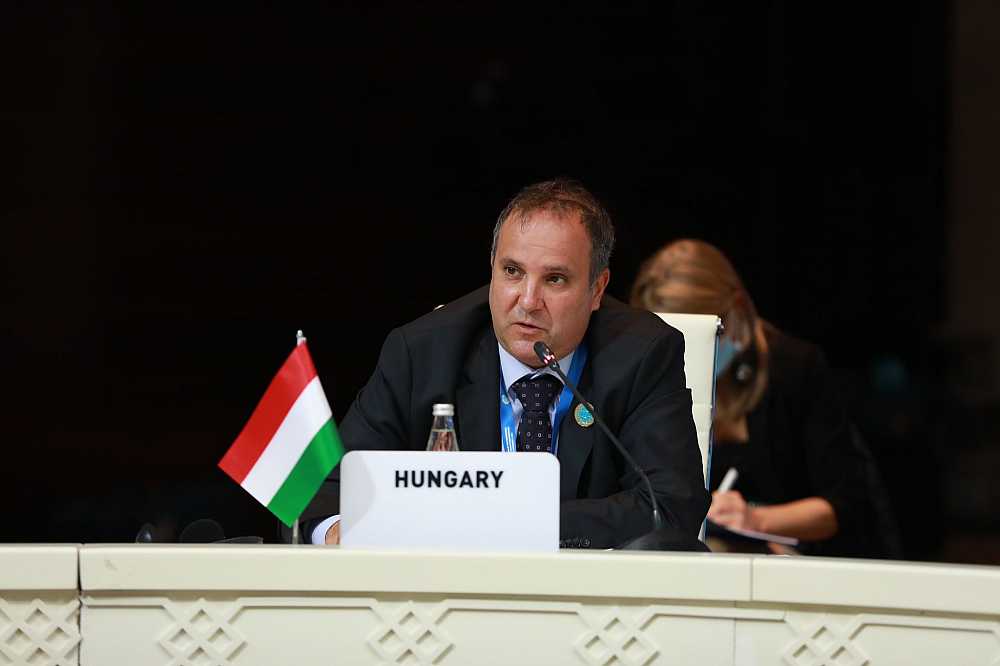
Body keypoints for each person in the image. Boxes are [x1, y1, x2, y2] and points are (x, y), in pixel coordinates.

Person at [296, 179, 710, 548]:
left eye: (555, 279)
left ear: (597, 288)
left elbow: (671, 506)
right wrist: (336, 532)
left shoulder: (642, 353)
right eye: (512, 271)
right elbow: (322, 494)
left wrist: (512, 523)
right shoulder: (423, 352)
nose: (528, 301)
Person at [630, 239, 900, 557]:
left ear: (736, 311)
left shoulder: (795, 370)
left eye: (699, 339)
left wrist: (755, 519)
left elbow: (844, 503)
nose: (685, 356)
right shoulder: (650, 378)